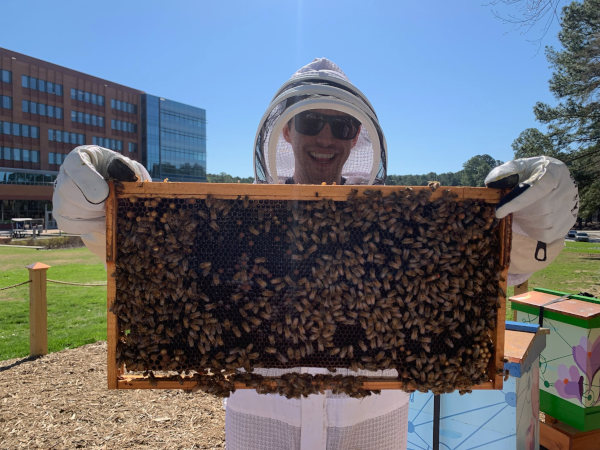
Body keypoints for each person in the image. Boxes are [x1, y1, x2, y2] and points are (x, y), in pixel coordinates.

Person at [53, 58, 578, 449]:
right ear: (286, 131)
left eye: (341, 127)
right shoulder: (232, 223)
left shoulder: (402, 225)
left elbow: (494, 272)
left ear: (357, 139)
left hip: (375, 423)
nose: (326, 137)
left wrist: (535, 213)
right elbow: (146, 250)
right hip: (261, 422)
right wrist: (117, 195)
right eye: (311, 123)